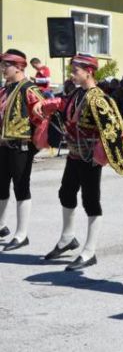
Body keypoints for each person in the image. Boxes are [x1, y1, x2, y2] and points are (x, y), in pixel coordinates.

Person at [33, 54, 123, 271]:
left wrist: (103, 154)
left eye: (75, 70)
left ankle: (90, 251)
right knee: (66, 193)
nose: (72, 74)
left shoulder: (99, 99)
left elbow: (114, 129)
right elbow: (63, 103)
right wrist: (49, 104)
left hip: (90, 158)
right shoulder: (77, 93)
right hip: (74, 155)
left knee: (91, 201)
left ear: (89, 71)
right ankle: (67, 238)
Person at [0, 49, 46, 251]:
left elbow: (43, 115)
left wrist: (33, 146)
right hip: (3, 145)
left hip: (21, 146)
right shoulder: (4, 89)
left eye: (5, 65)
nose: (2, 69)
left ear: (19, 67)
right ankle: (1, 226)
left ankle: (21, 234)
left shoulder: (28, 88)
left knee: (20, 187)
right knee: (1, 186)